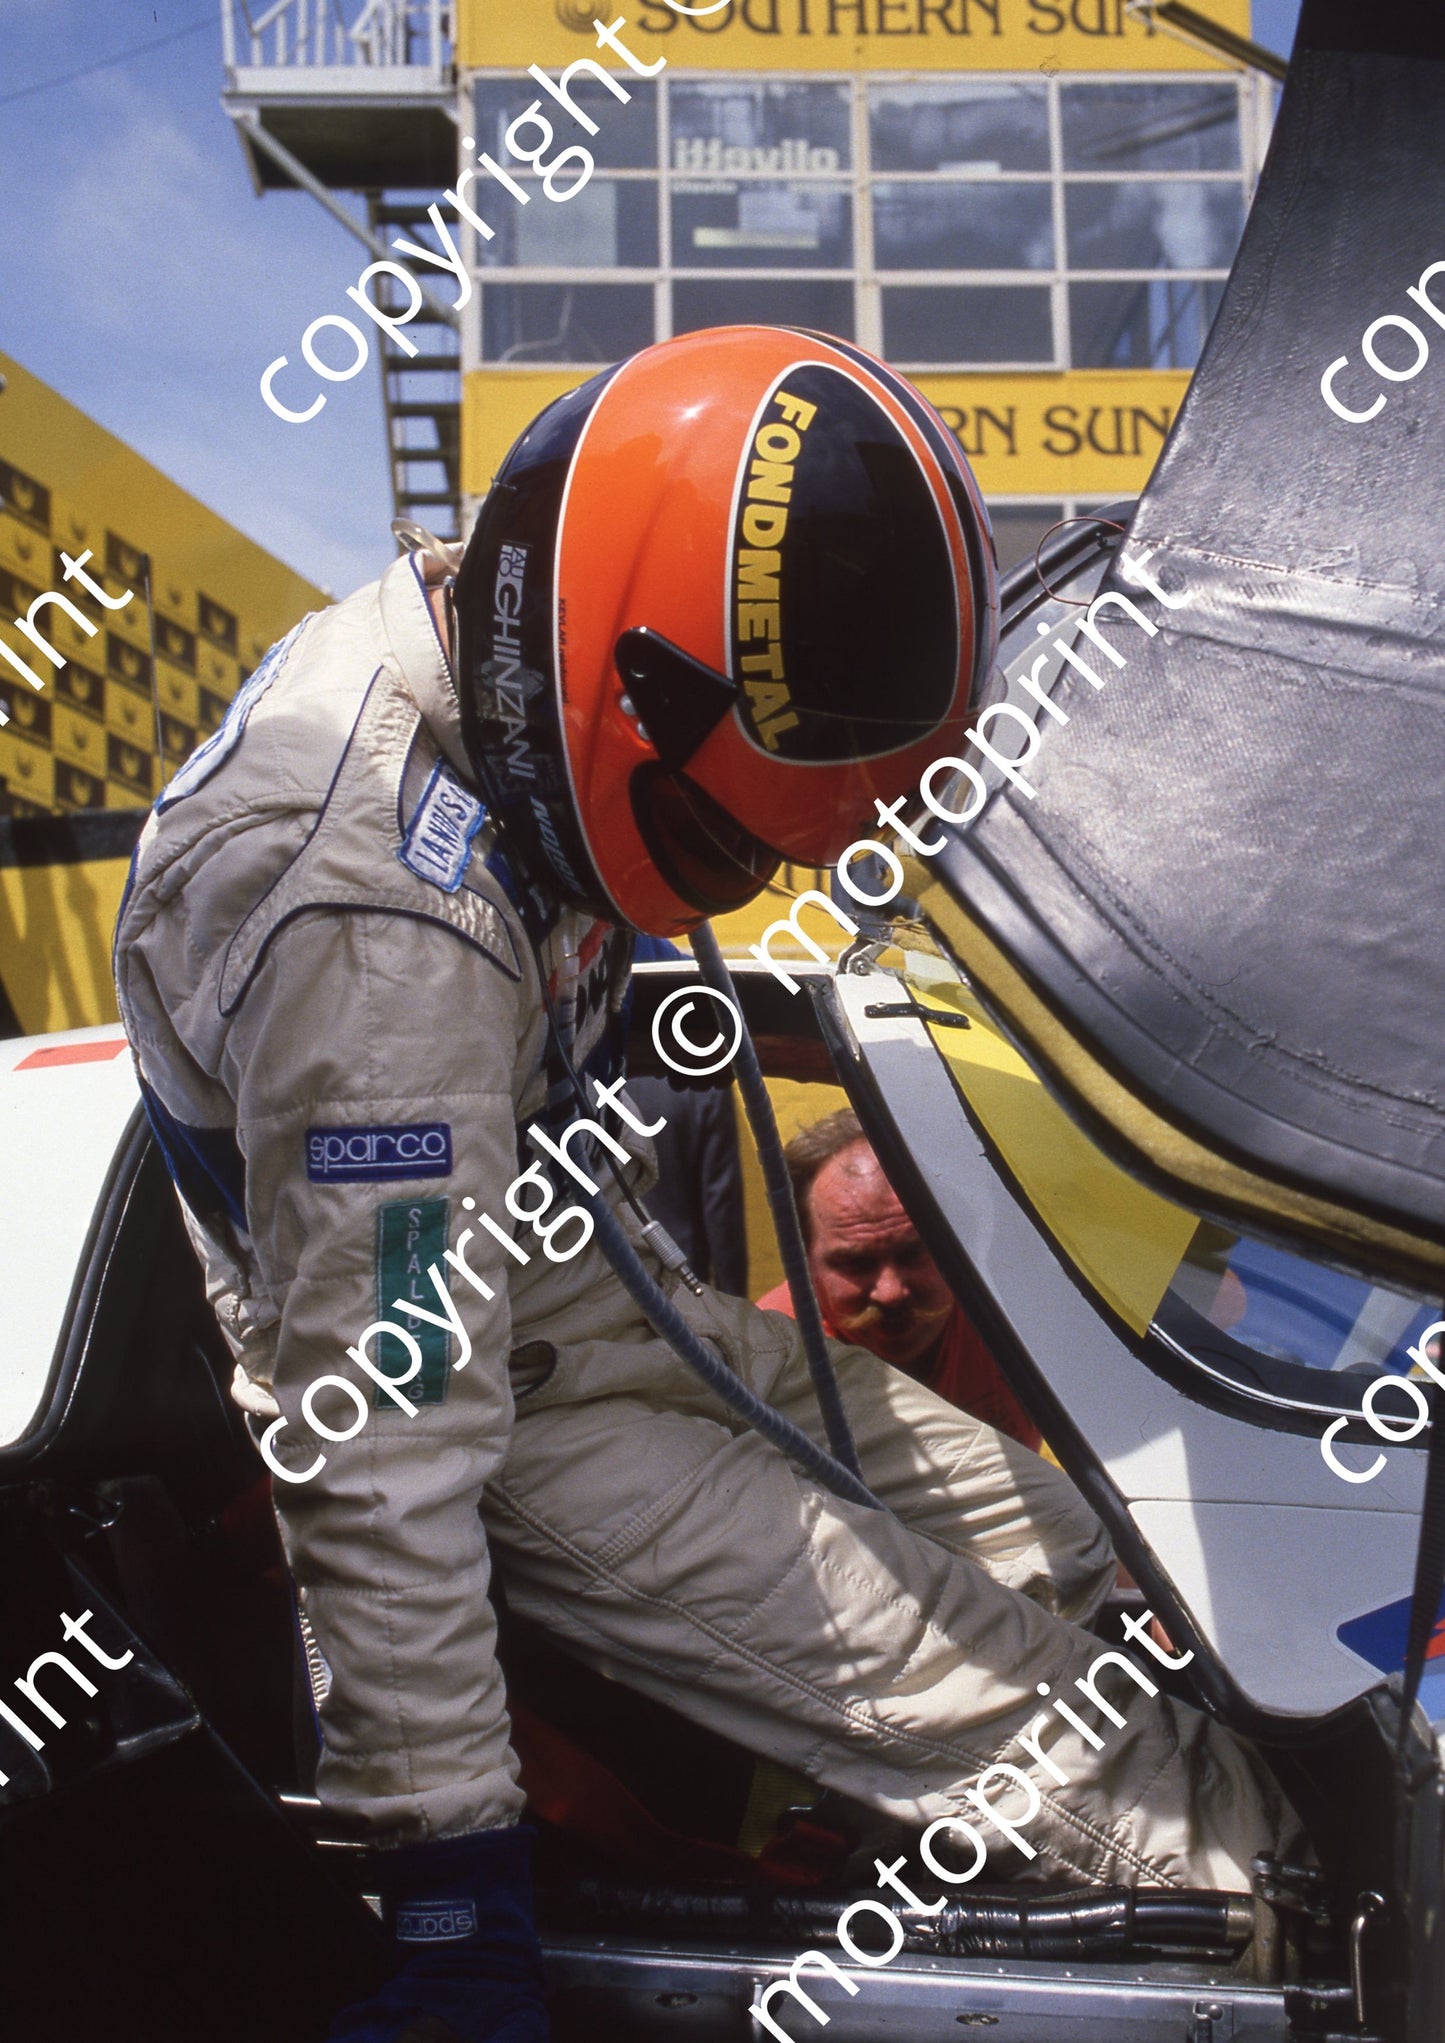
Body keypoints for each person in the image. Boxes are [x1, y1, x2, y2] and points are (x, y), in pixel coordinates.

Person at [114, 328, 1297, 2043]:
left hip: (579, 1287)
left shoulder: (504, 686)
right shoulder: (376, 925)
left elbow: (566, 953)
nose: (739, 878)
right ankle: (1324, 1925)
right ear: (609, 686)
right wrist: (447, 1890)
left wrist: (775, 1011)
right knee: (1068, 1730)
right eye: (731, 848)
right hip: (471, 1397)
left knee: (1112, 1563)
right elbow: (381, 1440)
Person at [757, 1109, 1041, 1449]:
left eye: (913, 1254)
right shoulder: (768, 1368)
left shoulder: (1022, 1323)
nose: (890, 1292)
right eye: (855, 1263)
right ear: (802, 1263)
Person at [626, 935, 748, 1295]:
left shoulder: (570, 1064)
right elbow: (721, 1207)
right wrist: (735, 1301)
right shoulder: (701, 1078)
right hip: (679, 1285)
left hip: (580, 1287)